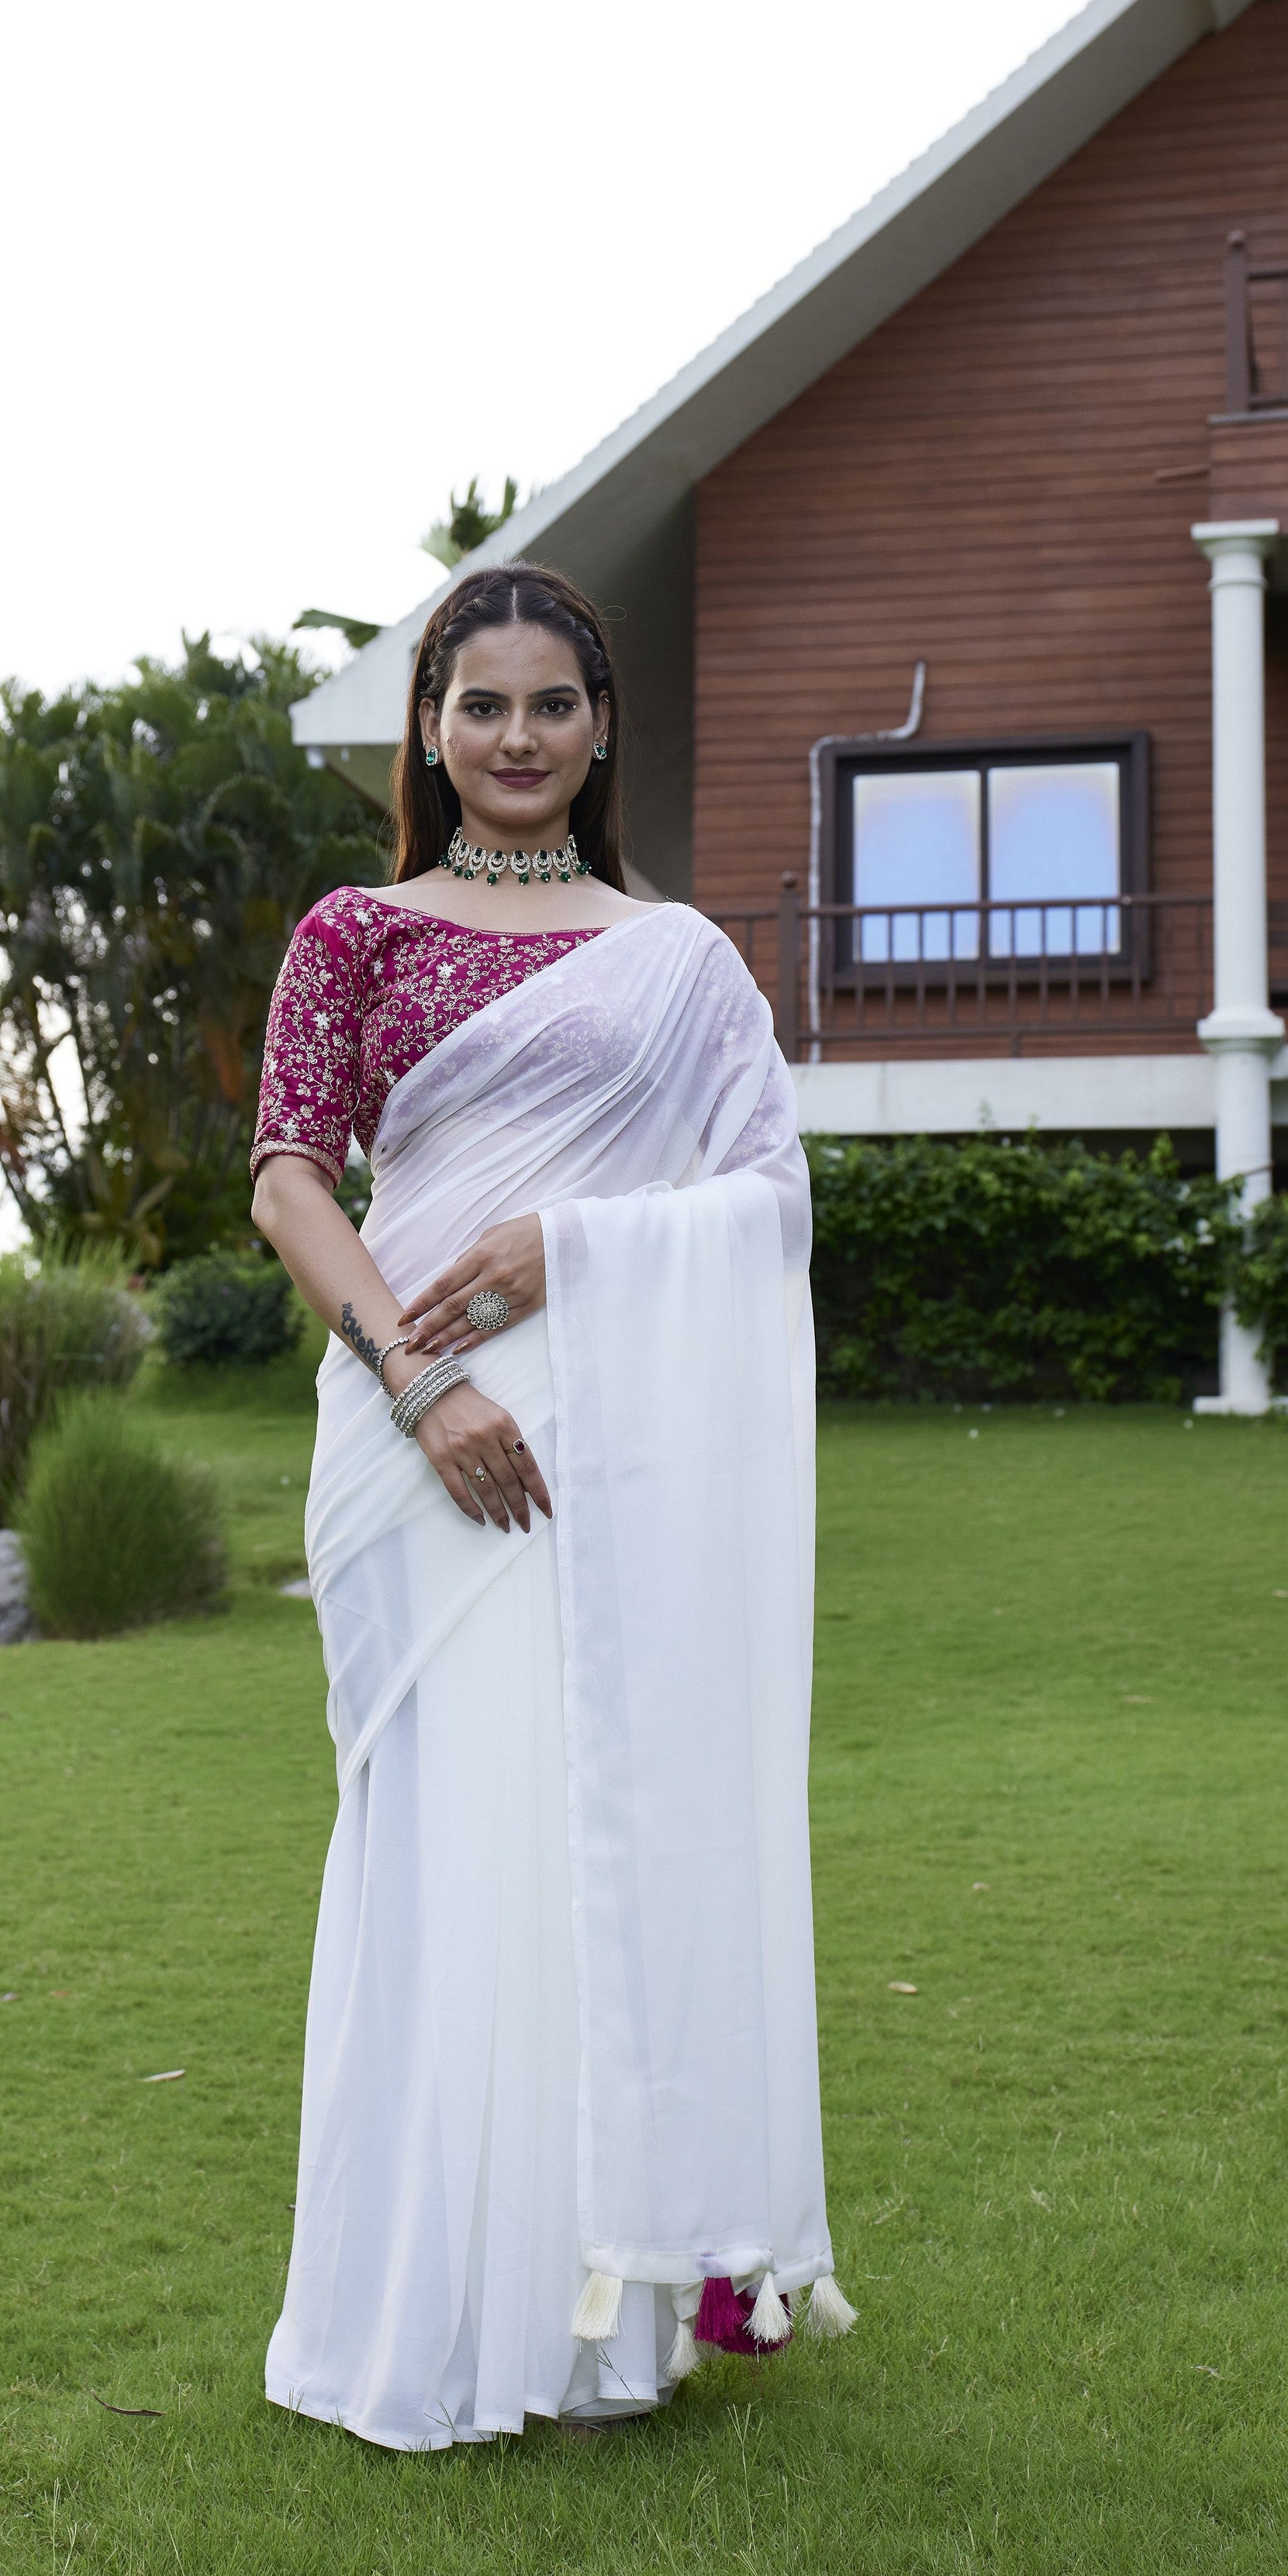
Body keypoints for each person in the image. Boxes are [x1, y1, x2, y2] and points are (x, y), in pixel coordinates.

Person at [250, 561, 851, 2452]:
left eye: (552, 706)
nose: (518, 739)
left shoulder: (676, 958)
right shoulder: (353, 931)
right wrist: (423, 1378)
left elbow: (770, 1197)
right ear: (430, 726)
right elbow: (288, 1183)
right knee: (440, 1855)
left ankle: (601, 2326)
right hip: (412, 1445)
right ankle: (418, 2315)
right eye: (481, 704)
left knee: (588, 1846)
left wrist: (562, 1248)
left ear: (602, 731)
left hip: (607, 1450)